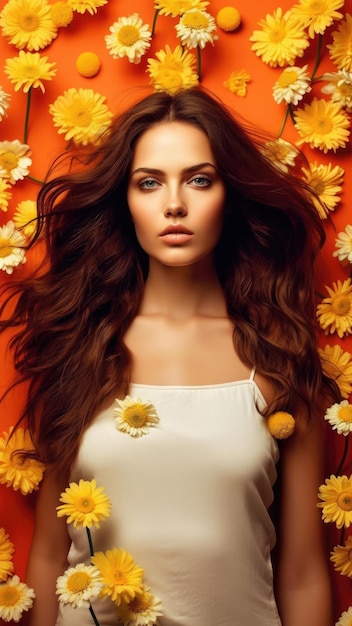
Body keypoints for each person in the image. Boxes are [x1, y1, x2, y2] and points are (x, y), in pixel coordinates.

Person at [0, 87, 338, 626]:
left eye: (199, 180)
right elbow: (47, 555)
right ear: (125, 200)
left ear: (230, 195)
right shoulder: (79, 348)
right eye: (149, 182)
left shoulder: (279, 361)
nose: (174, 203)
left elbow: (301, 573)